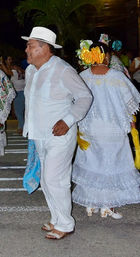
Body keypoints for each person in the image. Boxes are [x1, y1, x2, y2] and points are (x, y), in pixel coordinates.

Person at [22, 27, 92, 240]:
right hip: (39, 134)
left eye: (30, 45)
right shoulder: (30, 71)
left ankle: (65, 223)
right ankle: (56, 218)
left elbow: (85, 97)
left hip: (60, 134)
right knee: (46, 179)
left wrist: (68, 120)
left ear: (44, 48)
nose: (26, 49)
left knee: (55, 179)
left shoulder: (63, 69)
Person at [73, 41, 140, 219]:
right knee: (110, 165)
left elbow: (74, 101)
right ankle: (107, 205)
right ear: (106, 56)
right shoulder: (117, 77)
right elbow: (131, 103)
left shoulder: (82, 76)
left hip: (89, 128)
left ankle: (90, 204)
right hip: (113, 129)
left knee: (92, 164)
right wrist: (132, 125)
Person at [5, 56, 25, 135]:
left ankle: (21, 128)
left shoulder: (14, 71)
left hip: (18, 93)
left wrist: (2, 63)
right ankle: (23, 127)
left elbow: (7, 71)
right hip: (24, 93)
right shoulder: (23, 71)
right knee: (22, 111)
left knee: (18, 112)